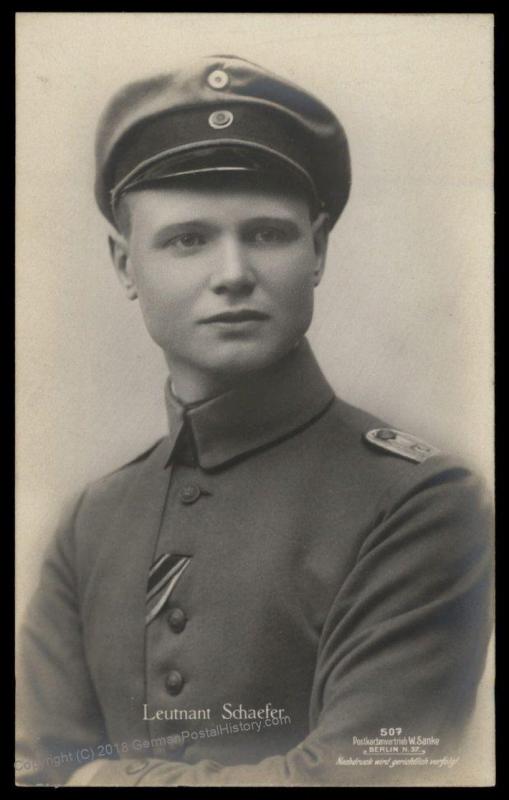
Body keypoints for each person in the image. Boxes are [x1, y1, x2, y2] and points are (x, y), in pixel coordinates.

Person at [16, 55, 493, 787]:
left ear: (318, 251)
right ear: (123, 265)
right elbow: (38, 765)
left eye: (267, 233)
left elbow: (363, 777)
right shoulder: (92, 520)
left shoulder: (422, 501)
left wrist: (98, 781)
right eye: (187, 239)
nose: (233, 271)